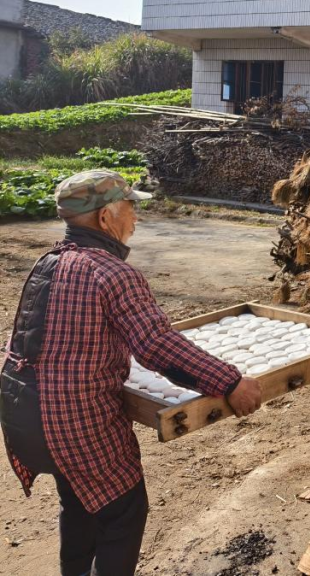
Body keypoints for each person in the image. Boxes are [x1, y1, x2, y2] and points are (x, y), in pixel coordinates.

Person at [0, 170, 263, 576]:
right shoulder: (112, 273)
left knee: (81, 502)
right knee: (123, 510)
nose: (136, 218)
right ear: (105, 218)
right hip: (70, 422)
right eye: (130, 207)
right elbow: (157, 346)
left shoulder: (48, 262)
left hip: (22, 413)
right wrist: (230, 382)